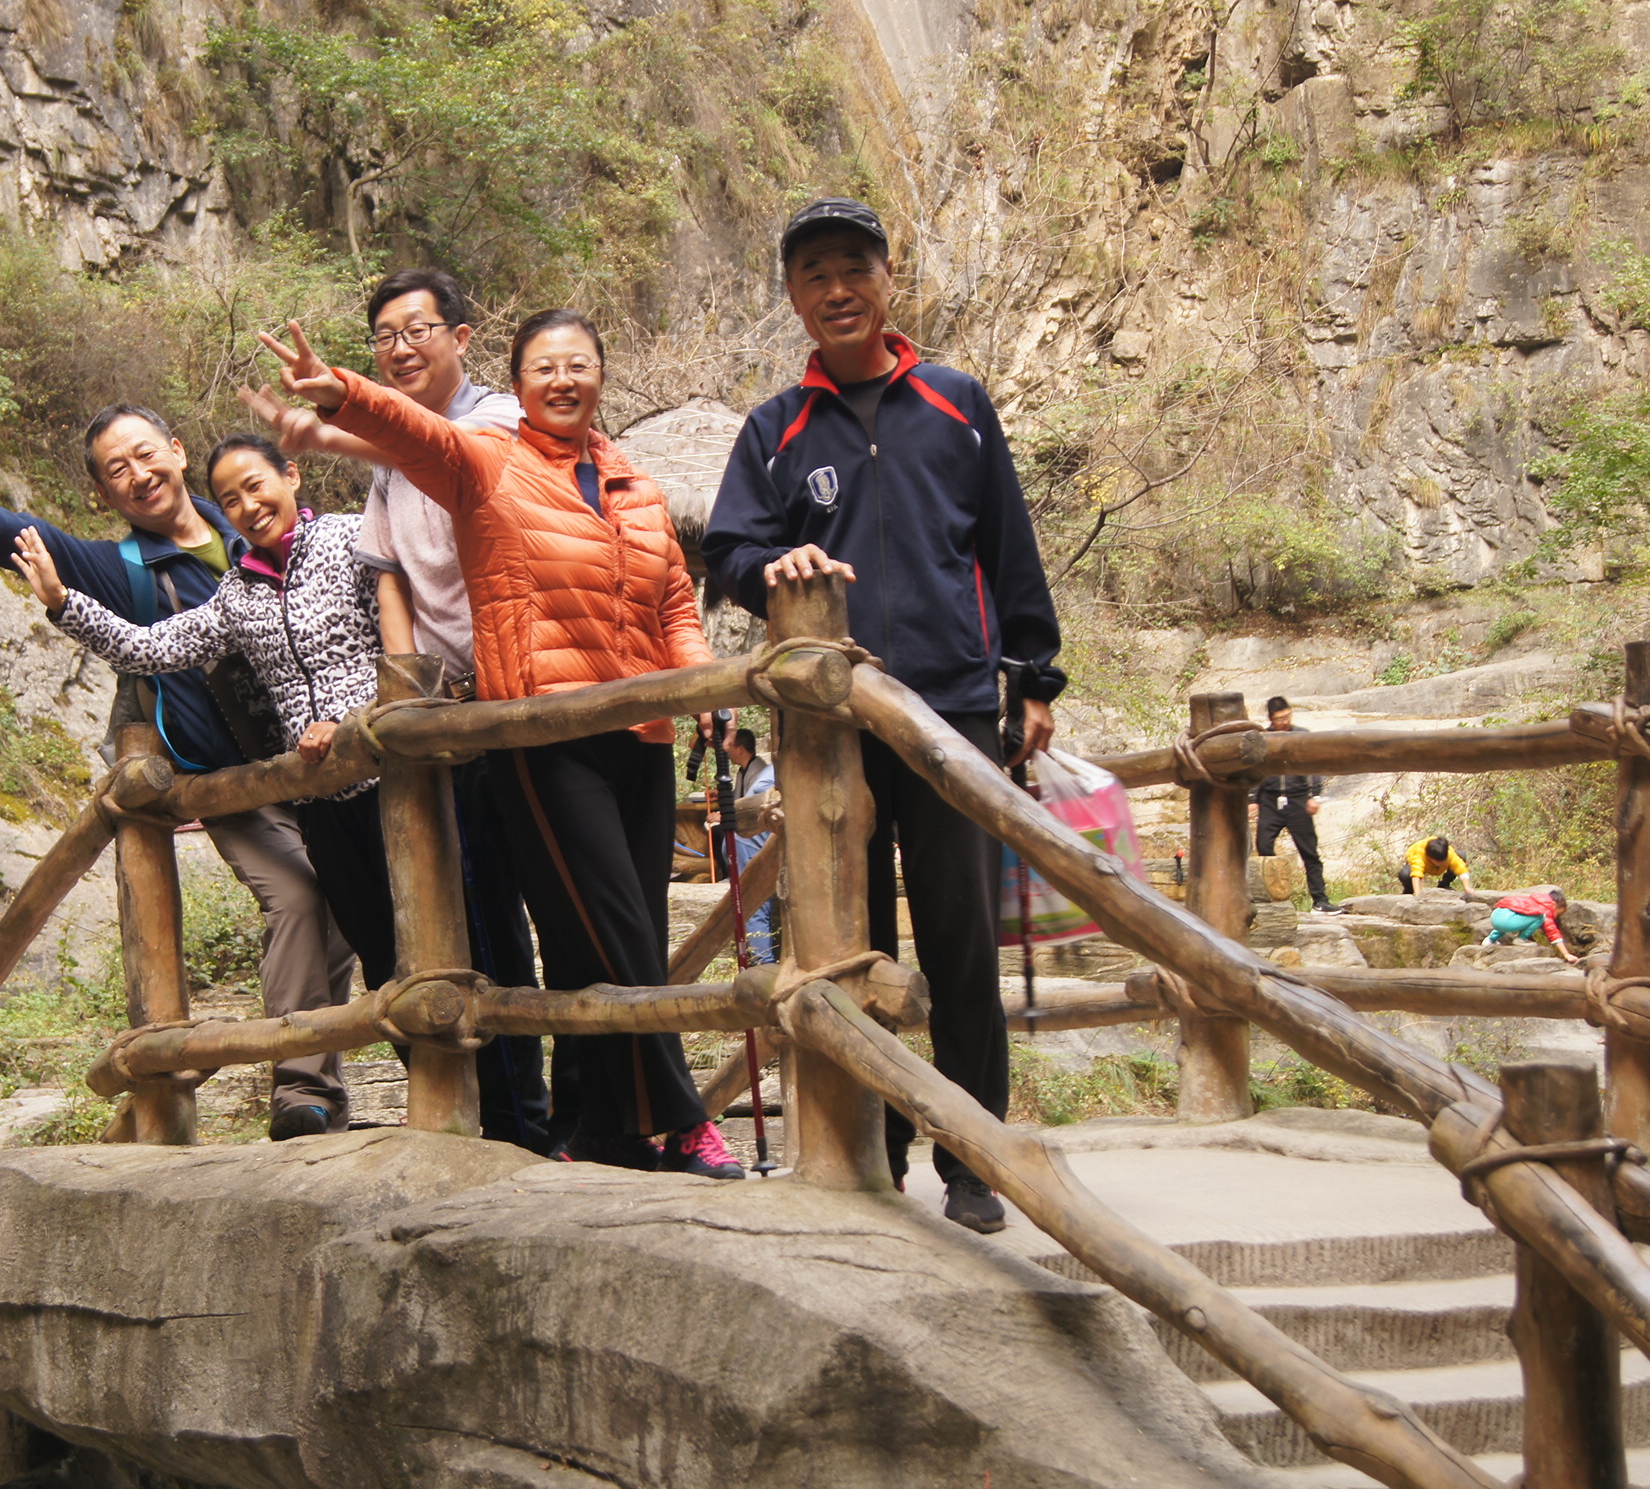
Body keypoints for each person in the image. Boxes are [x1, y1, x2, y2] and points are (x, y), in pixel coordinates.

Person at [256, 311, 748, 1179]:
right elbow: (413, 433)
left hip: (640, 734)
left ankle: (593, 1126)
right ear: (515, 385)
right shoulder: (485, 462)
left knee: (593, 943)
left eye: (580, 365)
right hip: (543, 736)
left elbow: (675, 601)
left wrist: (703, 686)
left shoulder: (634, 481)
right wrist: (343, 393)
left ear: (602, 375)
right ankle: (679, 1119)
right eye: (544, 368)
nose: (564, 380)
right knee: (620, 935)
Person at [0, 413, 361, 1138]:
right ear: (106, 494)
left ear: (176, 453)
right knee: (296, 897)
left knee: (348, 900)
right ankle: (301, 1090)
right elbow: (8, 530)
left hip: (315, 763)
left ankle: (327, 1076)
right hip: (231, 784)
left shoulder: (251, 527)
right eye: (117, 469)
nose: (139, 474)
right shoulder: (121, 570)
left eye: (146, 454)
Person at [703, 198, 1067, 1234]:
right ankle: (875, 1143)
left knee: (959, 944)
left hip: (950, 711)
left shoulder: (957, 403)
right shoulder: (776, 428)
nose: (836, 288)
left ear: (887, 278)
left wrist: (1033, 676)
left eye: (853, 267)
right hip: (830, 734)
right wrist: (773, 564)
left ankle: (973, 1158)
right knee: (848, 942)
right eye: (814, 272)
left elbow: (1006, 544)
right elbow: (730, 549)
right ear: (793, 297)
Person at [240, 269, 548, 1151]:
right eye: (385, 337)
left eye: (417, 330)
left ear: (461, 333)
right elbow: (392, 579)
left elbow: (444, 455)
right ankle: (483, 1119)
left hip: (516, 700)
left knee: (517, 924)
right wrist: (405, 687)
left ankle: (541, 1120)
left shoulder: (500, 420)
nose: (402, 347)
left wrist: (343, 416)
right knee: (463, 919)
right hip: (442, 722)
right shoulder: (383, 477)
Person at [10, 437, 400, 1096]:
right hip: (322, 803)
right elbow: (148, 646)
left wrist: (360, 719)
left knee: (442, 934)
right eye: (230, 499)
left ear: (291, 476)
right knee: (385, 958)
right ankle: (401, 1098)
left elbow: (401, 640)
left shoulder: (350, 540)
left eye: (257, 486)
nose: (248, 506)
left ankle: (506, 1111)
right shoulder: (237, 594)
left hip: (394, 781)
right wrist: (60, 602)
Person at [1251, 696, 1334, 912]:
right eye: (1279, 719)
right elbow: (1255, 771)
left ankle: (1320, 900)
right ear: (1270, 719)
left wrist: (1315, 796)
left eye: (1287, 716)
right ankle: (1268, 896)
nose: (1284, 721)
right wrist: (1252, 800)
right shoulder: (1262, 738)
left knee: (1310, 852)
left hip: (1298, 799)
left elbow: (1314, 768)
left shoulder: (1301, 735)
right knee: (1264, 846)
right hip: (1269, 799)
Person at [724, 727, 781, 965]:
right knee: (753, 906)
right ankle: (761, 960)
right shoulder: (766, 772)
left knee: (755, 905)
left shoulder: (765, 775)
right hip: (748, 847)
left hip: (756, 847)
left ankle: (763, 962)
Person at [1485, 886, 1580, 962]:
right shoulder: (1545, 909)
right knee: (1540, 917)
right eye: (1558, 913)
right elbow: (1553, 932)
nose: (1556, 917)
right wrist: (1566, 954)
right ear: (1554, 905)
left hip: (1495, 916)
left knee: (1508, 920)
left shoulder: (1532, 900)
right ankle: (1520, 939)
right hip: (1507, 921)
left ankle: (1490, 939)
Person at [1400, 834, 1467, 894]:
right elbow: (1416, 875)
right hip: (1417, 862)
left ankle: (1444, 884)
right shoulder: (1418, 855)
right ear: (1429, 858)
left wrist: (1467, 887)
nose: (1443, 864)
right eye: (1440, 862)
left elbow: (1461, 868)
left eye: (1444, 861)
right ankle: (1409, 891)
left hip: (1436, 860)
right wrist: (1418, 895)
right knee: (1405, 874)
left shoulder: (1449, 853)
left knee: (1461, 855)